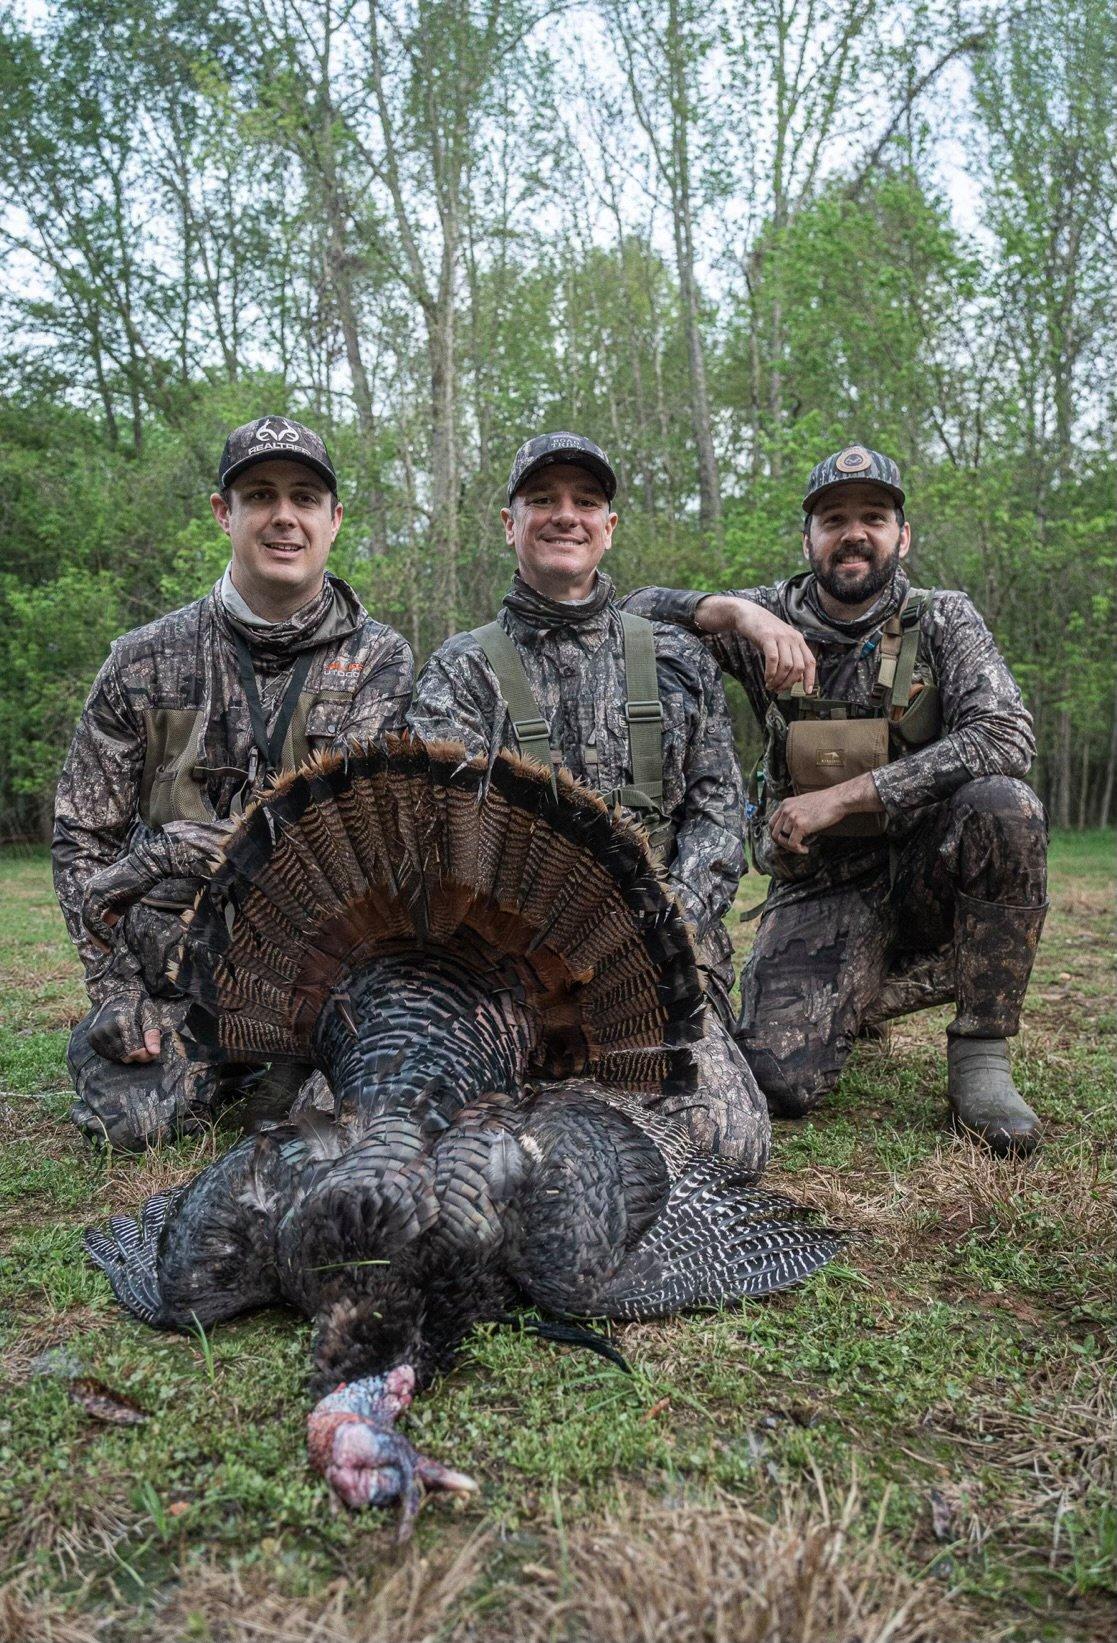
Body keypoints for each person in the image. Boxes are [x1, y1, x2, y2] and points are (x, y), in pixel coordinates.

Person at [623, 444, 1048, 1154]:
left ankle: (980, 1052)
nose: (854, 533)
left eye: (873, 517)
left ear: (901, 536)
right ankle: (854, 992)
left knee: (1005, 804)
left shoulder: (942, 618)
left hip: (927, 872)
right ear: (808, 538)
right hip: (821, 886)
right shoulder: (769, 617)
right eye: (834, 518)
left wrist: (846, 796)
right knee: (776, 1081)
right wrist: (739, 617)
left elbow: (1004, 733)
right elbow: (634, 611)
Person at [408, 432, 769, 1171]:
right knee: (407, 1127)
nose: (563, 515)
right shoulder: (461, 670)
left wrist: (671, 931)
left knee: (728, 1145)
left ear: (609, 527)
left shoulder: (676, 660)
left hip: (659, 970)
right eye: (541, 500)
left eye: (585, 502)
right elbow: (438, 837)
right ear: (508, 524)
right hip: (508, 973)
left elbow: (716, 817)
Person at [53, 415, 414, 1150]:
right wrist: (115, 989)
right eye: (260, 495)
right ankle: (198, 1058)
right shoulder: (143, 659)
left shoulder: (381, 661)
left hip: (318, 987)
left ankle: (283, 1069)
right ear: (226, 513)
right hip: (176, 983)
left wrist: (178, 849)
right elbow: (81, 834)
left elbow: (344, 845)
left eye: (305, 497)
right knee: (135, 1122)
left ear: (333, 520)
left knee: (354, 1130)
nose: (284, 516)